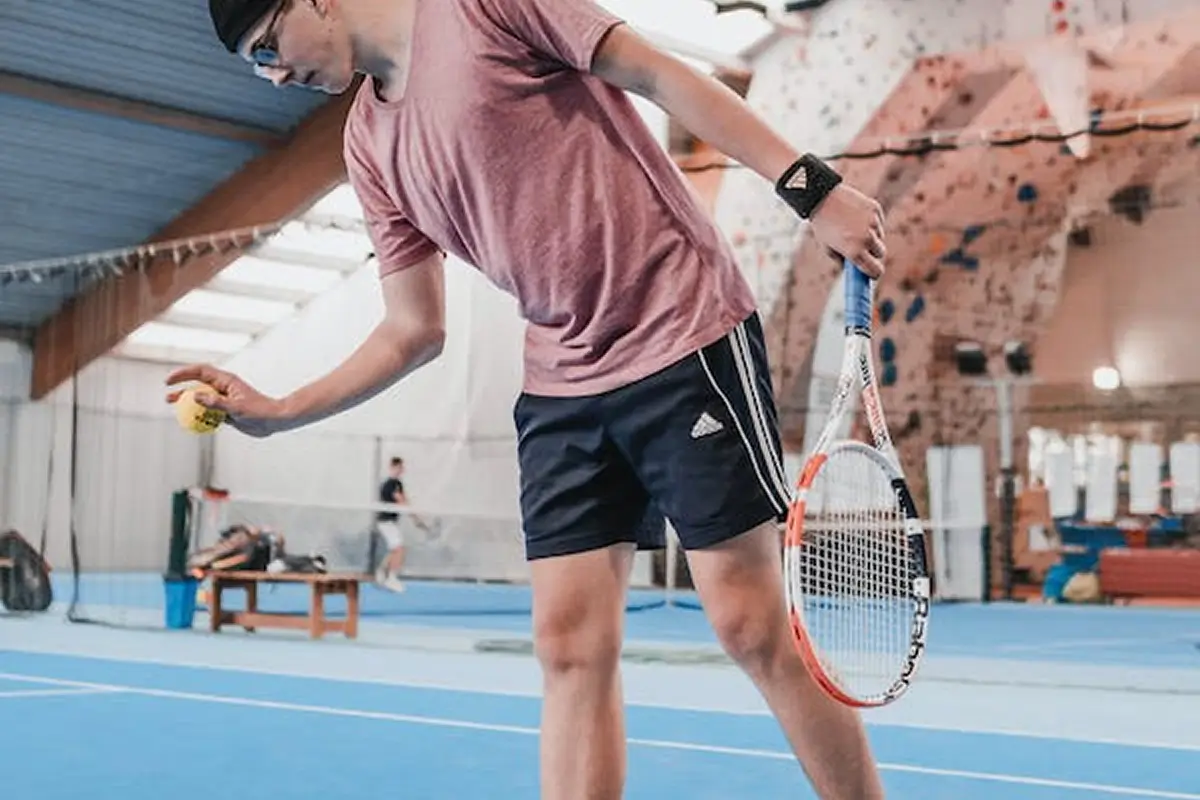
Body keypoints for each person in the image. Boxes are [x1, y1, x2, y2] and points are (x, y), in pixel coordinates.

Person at [175, 1, 890, 797]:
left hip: (681, 331)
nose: (275, 75)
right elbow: (413, 328)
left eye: (269, 46)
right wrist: (280, 410)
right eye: (259, 63)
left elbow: (658, 74)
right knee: (567, 644)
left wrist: (811, 189)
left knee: (748, 622)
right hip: (562, 382)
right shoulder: (368, 146)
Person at [374, 456, 408, 592]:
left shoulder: (396, 484)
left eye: (401, 468)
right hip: (386, 522)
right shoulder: (391, 484)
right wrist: (416, 517)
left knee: (394, 549)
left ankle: (380, 572)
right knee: (399, 549)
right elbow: (401, 500)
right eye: (397, 467)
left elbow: (402, 500)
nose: (400, 470)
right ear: (392, 468)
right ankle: (391, 579)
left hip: (388, 522)